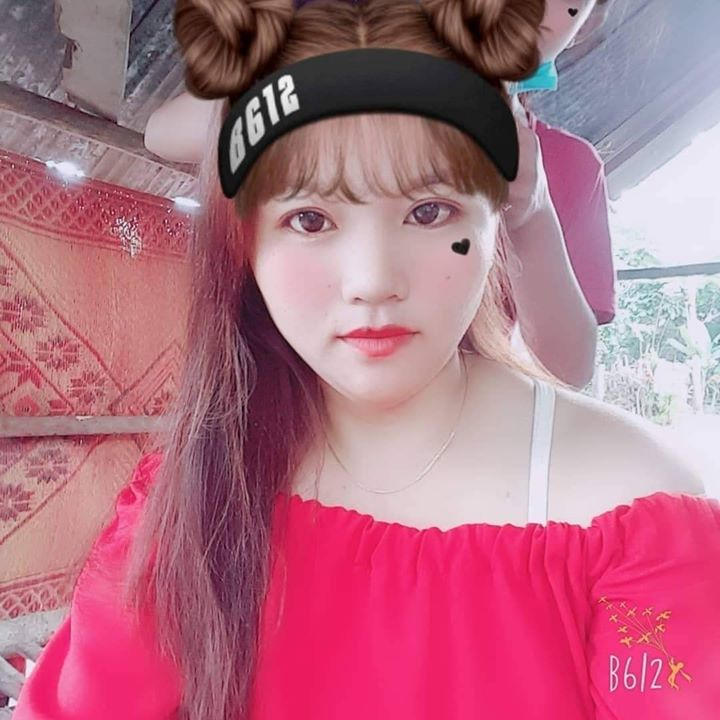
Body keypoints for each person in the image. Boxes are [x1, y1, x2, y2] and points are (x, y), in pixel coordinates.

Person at [14, 1, 717, 719]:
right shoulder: (196, 492)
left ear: (494, 214)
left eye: (428, 212)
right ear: (244, 240)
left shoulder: (635, 513)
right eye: (310, 219)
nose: (373, 281)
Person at [143, 0, 606, 390]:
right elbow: (163, 133)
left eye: (429, 211)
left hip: (469, 439)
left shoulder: (572, 165)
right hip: (300, 417)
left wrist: (532, 213)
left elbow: (568, 371)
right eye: (312, 219)